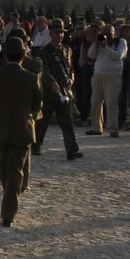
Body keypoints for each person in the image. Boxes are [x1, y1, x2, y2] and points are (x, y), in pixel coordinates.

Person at [0, 35, 42, 227]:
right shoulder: (32, 78)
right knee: (17, 169)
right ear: (23, 56)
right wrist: (29, 117)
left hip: (0, 127)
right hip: (23, 127)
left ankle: (10, 195)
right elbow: (37, 104)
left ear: (5, 56)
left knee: (5, 164)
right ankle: (8, 211)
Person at [31, 19, 84, 161]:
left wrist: (72, 79)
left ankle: (71, 150)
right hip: (50, 92)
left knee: (67, 122)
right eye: (57, 32)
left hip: (64, 93)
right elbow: (44, 71)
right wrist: (51, 83)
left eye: (61, 32)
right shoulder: (43, 51)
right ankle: (35, 146)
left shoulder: (67, 50)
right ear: (51, 33)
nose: (60, 35)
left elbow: (70, 68)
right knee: (42, 122)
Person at [86, 23, 127, 137]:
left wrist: (106, 46)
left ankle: (113, 128)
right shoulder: (98, 43)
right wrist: (96, 43)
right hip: (98, 74)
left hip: (113, 75)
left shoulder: (121, 42)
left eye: (109, 34)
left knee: (111, 103)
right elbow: (91, 55)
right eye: (104, 34)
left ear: (114, 33)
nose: (106, 36)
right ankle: (96, 128)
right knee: (95, 102)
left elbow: (118, 56)